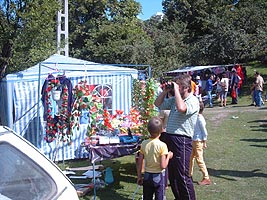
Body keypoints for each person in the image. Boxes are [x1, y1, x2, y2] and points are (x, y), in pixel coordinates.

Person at [154, 73, 199, 200]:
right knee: (172, 175)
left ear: (186, 88)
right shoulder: (175, 99)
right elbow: (158, 103)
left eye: (178, 86)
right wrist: (165, 91)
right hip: (170, 137)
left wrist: (176, 91)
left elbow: (181, 108)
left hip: (182, 141)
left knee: (182, 175)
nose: (176, 89)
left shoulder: (193, 101)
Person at [137, 116, 173, 200]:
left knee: (147, 197)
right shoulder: (162, 145)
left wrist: (139, 176)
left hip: (147, 176)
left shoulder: (144, 143)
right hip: (159, 176)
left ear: (148, 130)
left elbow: (140, 161)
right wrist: (168, 157)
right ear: (161, 130)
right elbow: (163, 165)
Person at [189, 101, 211, 185]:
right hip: (193, 140)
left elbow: (204, 132)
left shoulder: (200, 119)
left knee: (199, 159)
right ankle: (189, 175)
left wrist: (204, 141)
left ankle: (206, 177)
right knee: (190, 158)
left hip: (198, 141)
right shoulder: (195, 117)